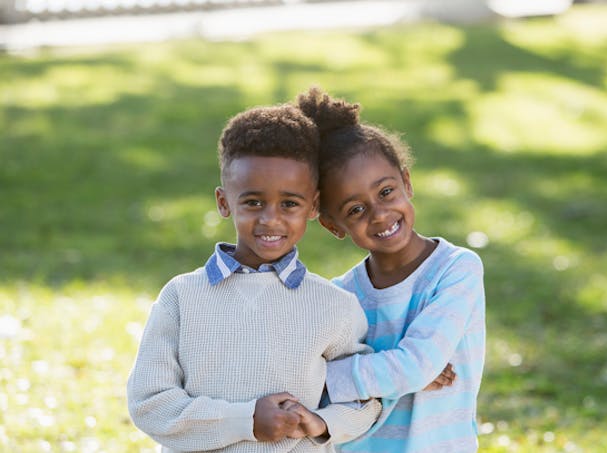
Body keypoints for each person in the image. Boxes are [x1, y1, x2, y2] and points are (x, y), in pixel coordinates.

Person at [127, 99, 381, 452]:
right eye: (253, 202)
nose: (270, 219)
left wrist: (324, 422)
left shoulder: (334, 306)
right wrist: (246, 421)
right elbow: (149, 403)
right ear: (223, 201)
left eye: (289, 203)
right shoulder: (182, 297)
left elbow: (366, 398)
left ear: (312, 205)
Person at [297, 88, 486, 452]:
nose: (379, 214)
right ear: (334, 226)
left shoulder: (455, 269)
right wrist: (399, 375)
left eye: (386, 192)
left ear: (407, 182)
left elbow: (416, 366)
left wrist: (394, 374)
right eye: (355, 210)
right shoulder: (340, 296)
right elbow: (313, 391)